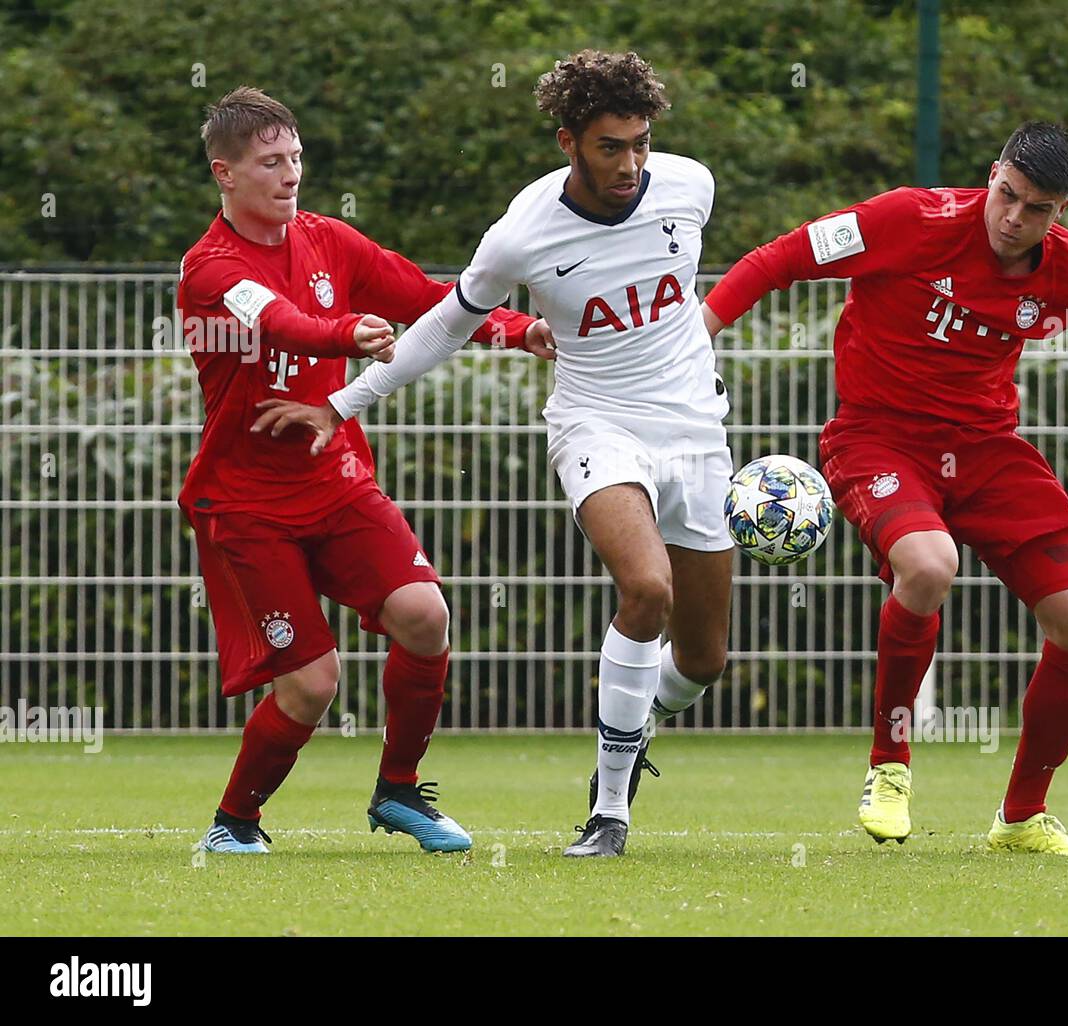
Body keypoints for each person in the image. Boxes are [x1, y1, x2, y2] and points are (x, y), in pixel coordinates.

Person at [254, 51, 733, 858]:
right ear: (568, 141)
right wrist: (343, 402)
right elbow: (444, 323)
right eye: (611, 146)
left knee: (702, 660)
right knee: (645, 588)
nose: (632, 164)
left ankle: (638, 723)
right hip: (596, 423)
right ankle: (608, 811)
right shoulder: (523, 234)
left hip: (695, 431)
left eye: (642, 143)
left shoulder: (692, 186)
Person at [701, 121, 1068, 855]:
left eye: (1037, 208)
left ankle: (1021, 819)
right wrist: (696, 342)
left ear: (1063, 209)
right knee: (928, 565)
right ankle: (890, 766)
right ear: (992, 174)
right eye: (1007, 195)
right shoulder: (906, 219)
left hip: (988, 450)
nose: (1014, 218)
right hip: (877, 437)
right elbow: (778, 260)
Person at [179, 86, 552, 855]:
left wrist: (519, 328)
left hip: (336, 478)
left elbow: (425, 297)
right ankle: (235, 822)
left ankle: (400, 791)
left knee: (426, 615)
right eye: (270, 162)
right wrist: (345, 332)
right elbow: (279, 321)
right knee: (312, 687)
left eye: (296, 159)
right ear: (225, 173)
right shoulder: (211, 268)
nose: (290, 175)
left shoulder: (328, 239)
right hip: (249, 503)